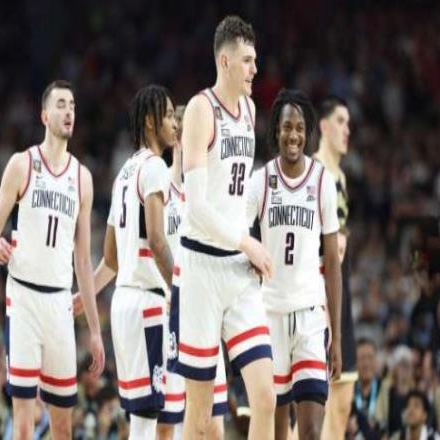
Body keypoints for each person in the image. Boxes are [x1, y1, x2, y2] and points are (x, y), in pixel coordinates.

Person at [169, 15, 276, 439]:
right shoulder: (200, 109)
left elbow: (237, 192)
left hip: (238, 271)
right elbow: (196, 207)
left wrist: (253, 240)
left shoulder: (249, 109)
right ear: (225, 61)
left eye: (256, 60)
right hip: (200, 272)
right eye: (248, 60)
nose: (255, 69)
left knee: (265, 397)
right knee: (201, 419)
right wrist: (246, 242)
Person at [0, 80, 105, 439]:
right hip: (23, 299)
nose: (69, 112)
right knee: (23, 424)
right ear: (44, 115)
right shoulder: (22, 164)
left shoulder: (82, 178)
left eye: (73, 106)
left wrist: (95, 331)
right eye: (61, 104)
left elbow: (84, 262)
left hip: (59, 305)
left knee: (62, 426)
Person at [73, 84, 177, 439]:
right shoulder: (155, 168)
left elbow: (111, 258)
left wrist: (84, 294)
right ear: (149, 121)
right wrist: (181, 292)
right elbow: (158, 241)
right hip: (148, 303)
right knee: (148, 421)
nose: (175, 122)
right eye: (168, 115)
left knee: (141, 421)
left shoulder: (123, 174)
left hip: (122, 305)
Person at [247, 88, 342, 439]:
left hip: (310, 317)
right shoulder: (260, 181)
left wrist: (338, 337)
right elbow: (239, 238)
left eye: (300, 128)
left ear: (308, 133)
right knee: (275, 432)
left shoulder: (322, 182)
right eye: (287, 127)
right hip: (268, 314)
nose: (293, 135)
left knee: (311, 432)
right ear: (276, 130)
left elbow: (332, 263)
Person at [157, 105, 228, 440]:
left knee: (214, 427)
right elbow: (150, 248)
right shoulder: (160, 188)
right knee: (173, 423)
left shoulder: (209, 191)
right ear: (177, 139)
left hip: (208, 308)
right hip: (174, 312)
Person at [314, 96, 357, 440]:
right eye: (340, 121)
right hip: (317, 292)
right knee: (316, 401)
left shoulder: (340, 177)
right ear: (324, 127)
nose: (347, 130)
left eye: (349, 123)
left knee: (343, 400)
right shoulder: (313, 172)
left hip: (342, 290)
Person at [350, 338, 382, 439]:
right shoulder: (348, 392)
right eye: (362, 358)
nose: (366, 364)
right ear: (355, 362)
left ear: (376, 361)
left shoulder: (388, 392)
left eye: (370, 357)